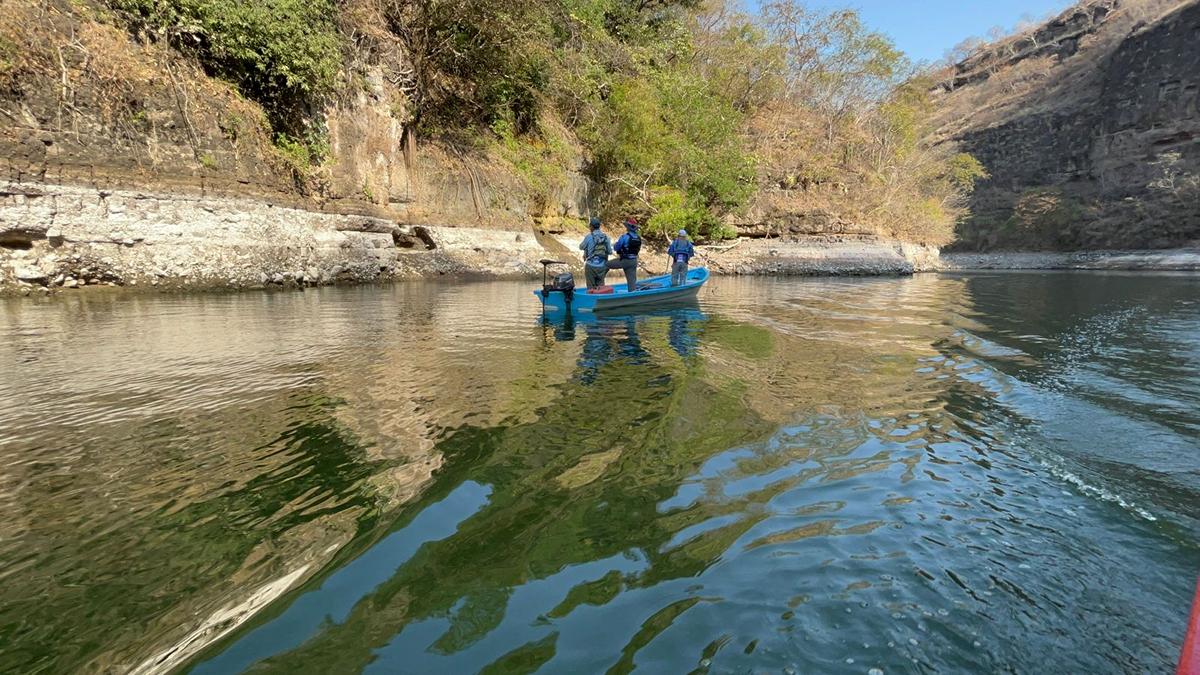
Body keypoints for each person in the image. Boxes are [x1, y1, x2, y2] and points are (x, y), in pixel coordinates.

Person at [607, 218, 642, 292]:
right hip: (634, 261)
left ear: (627, 227)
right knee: (632, 282)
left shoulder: (624, 237)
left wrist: (615, 244)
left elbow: (616, 248)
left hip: (625, 261)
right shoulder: (638, 238)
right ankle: (632, 296)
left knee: (606, 264)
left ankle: (600, 285)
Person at [578, 217, 611, 290]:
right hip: (602, 266)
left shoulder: (589, 237)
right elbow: (610, 252)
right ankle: (601, 299)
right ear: (599, 226)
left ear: (591, 227)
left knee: (590, 289)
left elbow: (581, 247)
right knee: (601, 288)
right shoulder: (606, 238)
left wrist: (586, 249)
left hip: (590, 266)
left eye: (590, 226)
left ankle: (590, 299)